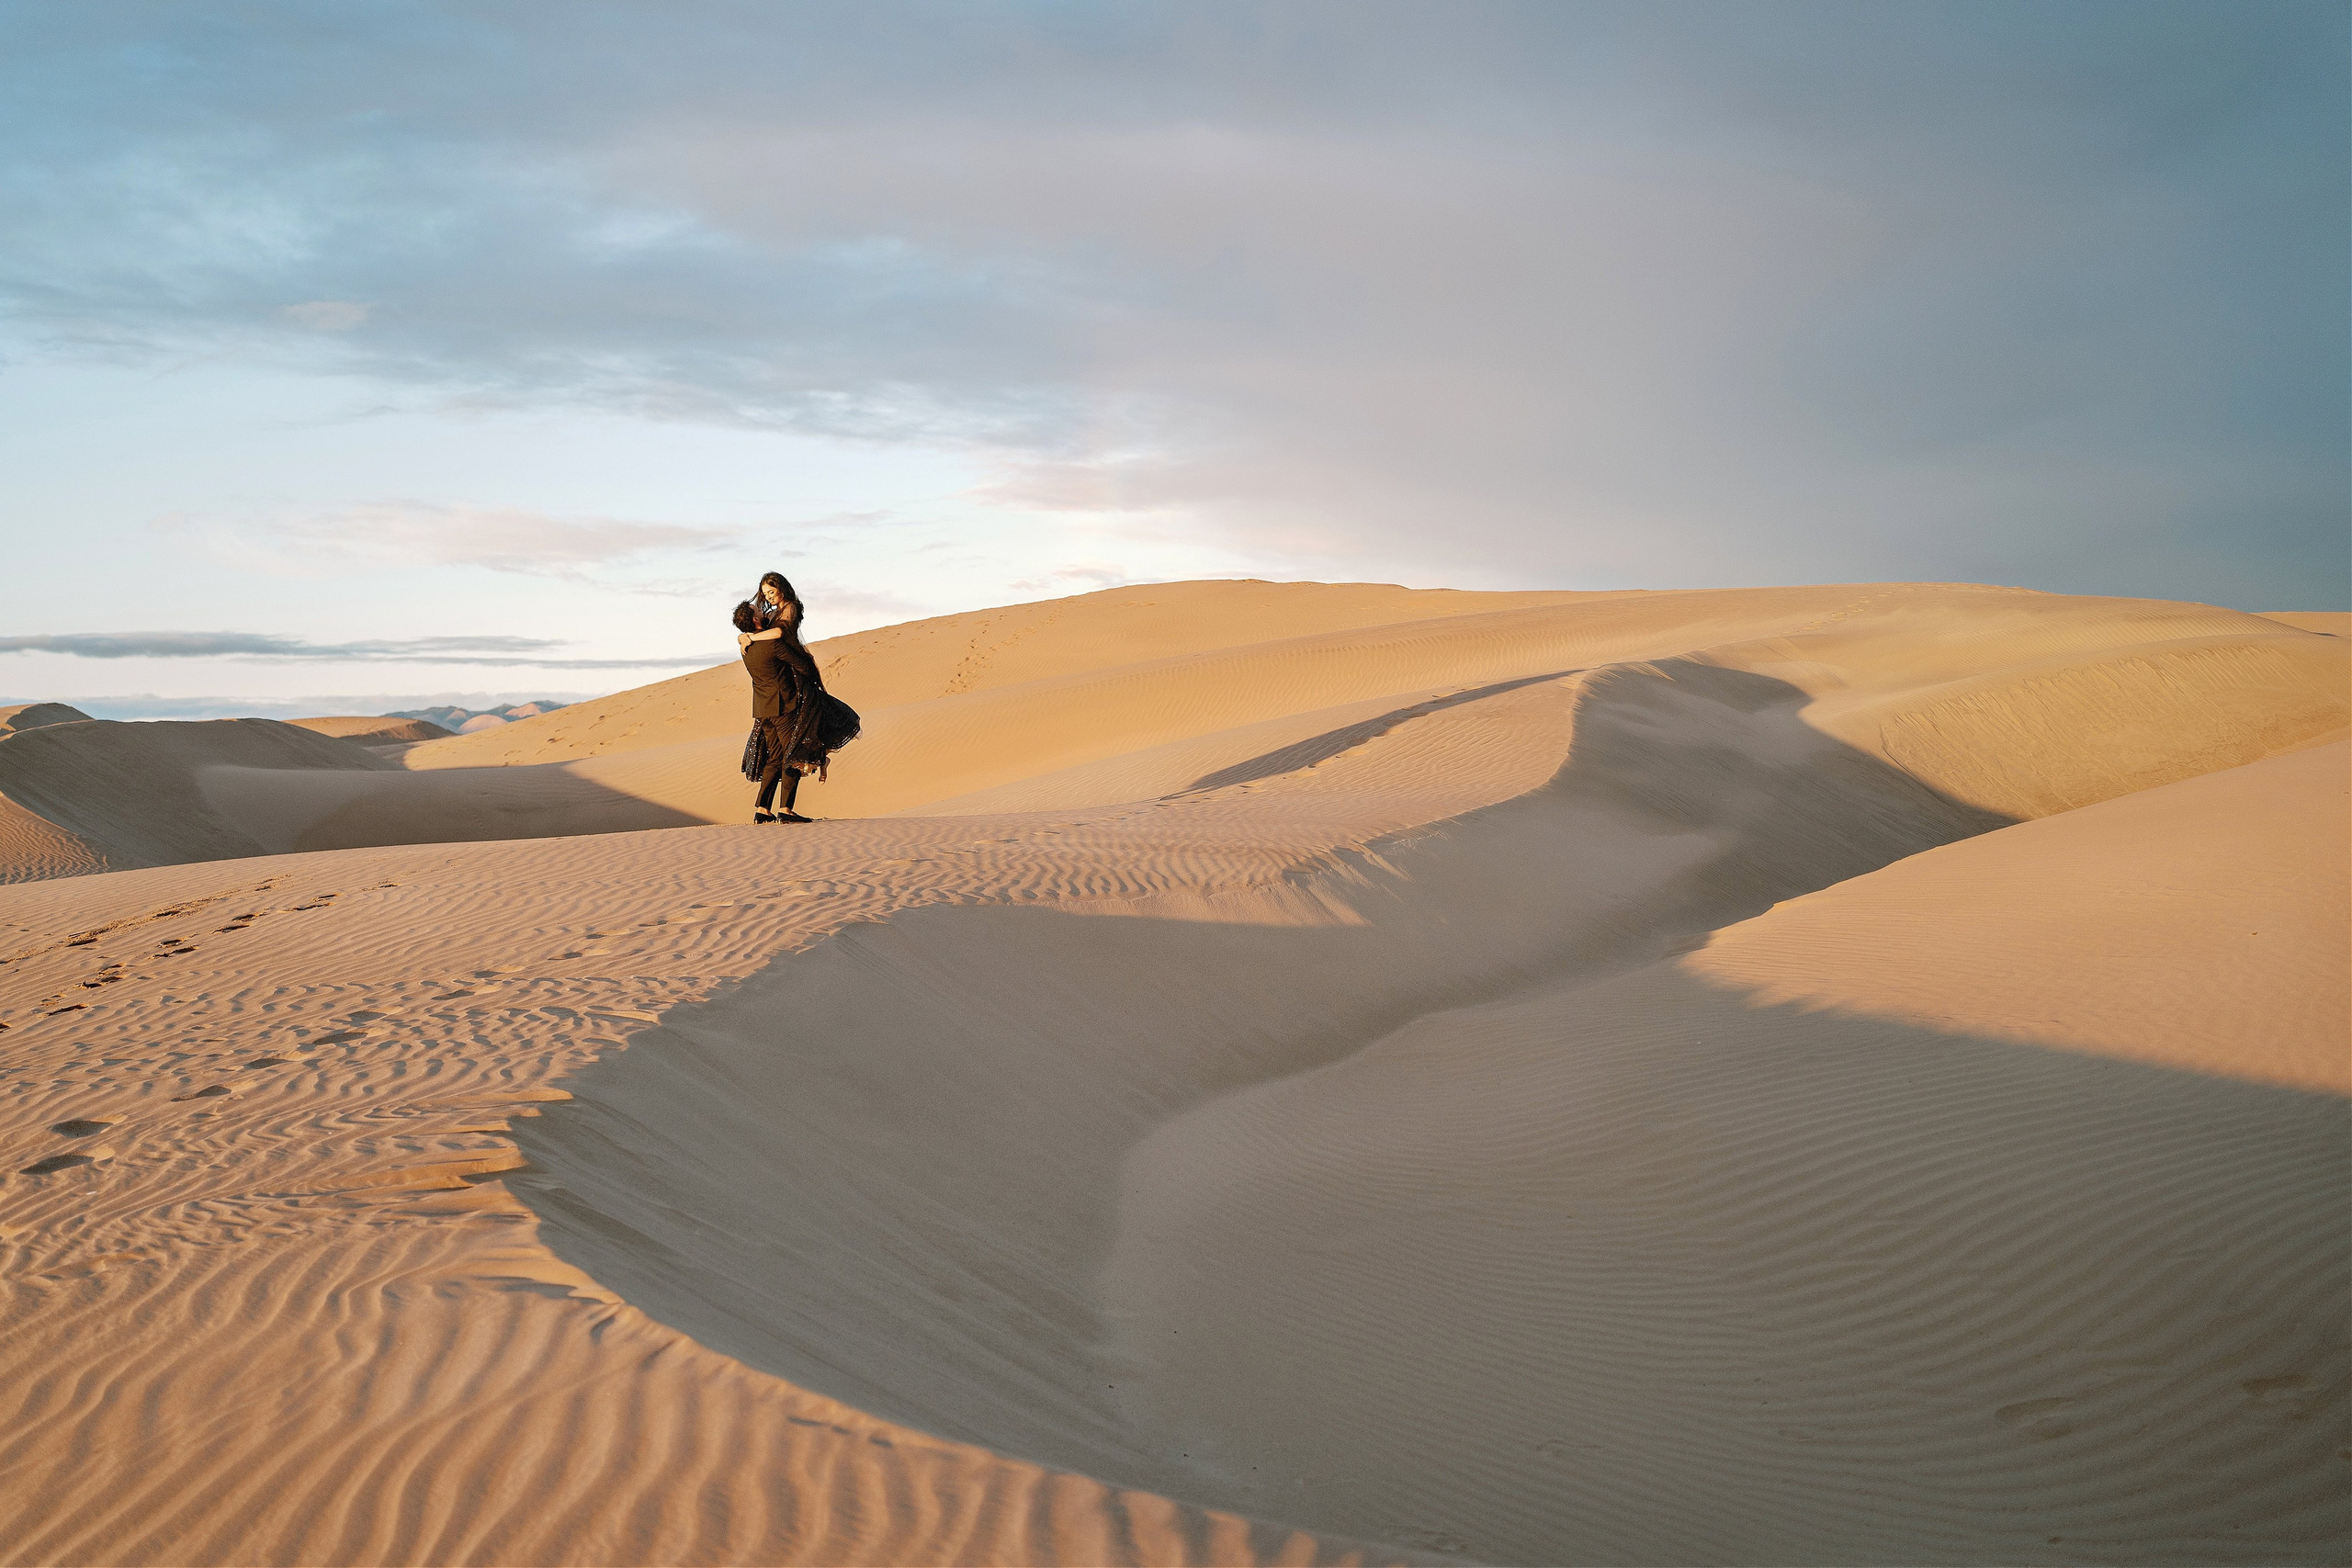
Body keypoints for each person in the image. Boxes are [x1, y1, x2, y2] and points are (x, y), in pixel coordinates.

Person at [734, 572, 825, 824]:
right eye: (761, 600)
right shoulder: (771, 641)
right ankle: (786, 809)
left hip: (763, 709)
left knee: (774, 757)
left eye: (770, 594)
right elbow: (799, 661)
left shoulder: (746, 648)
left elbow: (770, 632)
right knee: (793, 753)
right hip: (784, 705)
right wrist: (809, 680)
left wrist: (745, 636)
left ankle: (762, 808)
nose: (765, 602)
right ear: (755, 619)